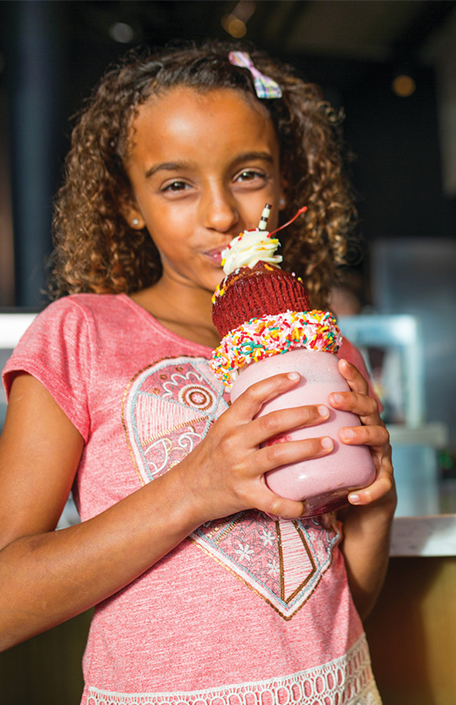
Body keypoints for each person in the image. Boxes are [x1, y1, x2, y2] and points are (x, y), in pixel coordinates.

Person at [0, 42, 395, 703]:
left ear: (285, 183)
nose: (221, 213)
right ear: (130, 202)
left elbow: (335, 603)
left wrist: (375, 510)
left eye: (247, 175)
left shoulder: (325, 345)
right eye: (177, 184)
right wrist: (196, 488)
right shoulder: (81, 335)